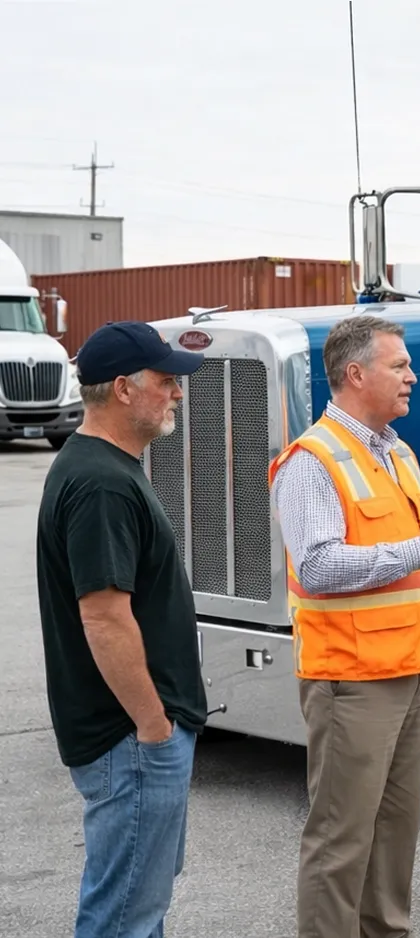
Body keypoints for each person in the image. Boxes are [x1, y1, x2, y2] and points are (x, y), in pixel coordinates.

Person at [269, 314, 420, 938]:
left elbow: (413, 578)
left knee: (396, 832)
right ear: (355, 374)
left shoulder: (396, 452)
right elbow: (320, 567)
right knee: (341, 837)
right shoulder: (312, 461)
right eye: (399, 366)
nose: (413, 377)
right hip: (350, 680)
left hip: (406, 671)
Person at [35, 321, 209, 938]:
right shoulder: (101, 483)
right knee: (124, 915)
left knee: (140, 903)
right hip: (129, 739)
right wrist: (153, 727)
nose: (178, 395)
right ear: (123, 389)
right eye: (167, 382)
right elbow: (104, 616)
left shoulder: (104, 466)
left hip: (136, 735)